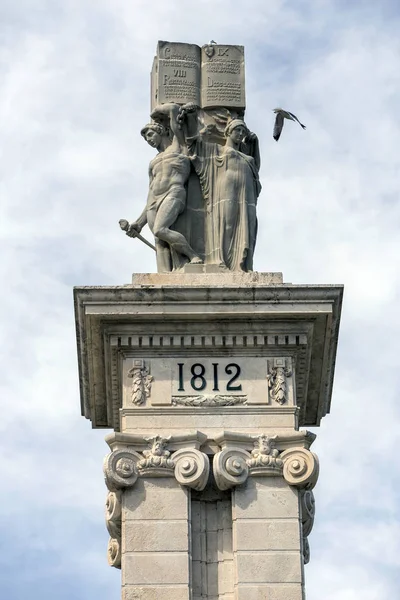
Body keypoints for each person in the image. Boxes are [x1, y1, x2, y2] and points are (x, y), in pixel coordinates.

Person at [180, 105, 261, 272]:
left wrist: (256, 144)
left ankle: (243, 265)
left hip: (246, 196)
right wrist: (191, 118)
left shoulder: (248, 158)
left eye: (242, 132)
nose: (240, 134)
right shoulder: (217, 151)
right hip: (226, 191)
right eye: (237, 130)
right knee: (227, 223)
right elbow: (194, 144)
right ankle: (222, 261)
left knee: (248, 227)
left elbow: (255, 172)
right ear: (228, 132)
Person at [127, 103, 202, 272]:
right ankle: (164, 274)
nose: (149, 140)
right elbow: (150, 192)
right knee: (159, 241)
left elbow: (174, 111)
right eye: (146, 138)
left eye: (151, 135)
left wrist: (156, 111)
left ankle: (192, 255)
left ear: (160, 132)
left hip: (174, 192)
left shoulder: (178, 146)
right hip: (154, 200)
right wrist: (139, 223)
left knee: (161, 229)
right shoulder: (153, 161)